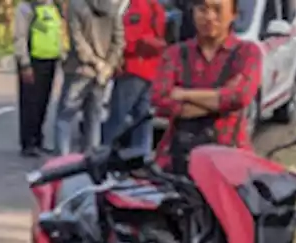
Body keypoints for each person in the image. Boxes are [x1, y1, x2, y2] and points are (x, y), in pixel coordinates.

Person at [150, 0, 262, 174]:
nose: (209, 17)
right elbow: (160, 100)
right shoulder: (175, 54)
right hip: (177, 158)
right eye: (202, 9)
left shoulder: (247, 52)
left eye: (217, 10)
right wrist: (221, 100)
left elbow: (239, 97)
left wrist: (183, 94)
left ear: (234, 14)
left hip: (231, 158)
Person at [53, 0, 125, 155]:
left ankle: (62, 162)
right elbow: (119, 41)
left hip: (80, 69)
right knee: (93, 119)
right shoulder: (112, 8)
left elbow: (77, 41)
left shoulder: (76, 5)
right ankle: (91, 162)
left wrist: (95, 62)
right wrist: (108, 66)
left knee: (65, 117)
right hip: (102, 74)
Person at [102, 0, 166, 153]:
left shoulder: (138, 6)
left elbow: (130, 38)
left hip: (134, 67)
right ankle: (141, 156)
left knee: (117, 116)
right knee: (142, 119)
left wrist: (116, 54)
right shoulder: (155, 6)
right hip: (151, 68)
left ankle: (105, 154)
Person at [14, 0, 63, 157]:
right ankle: (28, 142)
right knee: (30, 103)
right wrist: (24, 63)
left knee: (43, 101)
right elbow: (20, 37)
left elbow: (57, 33)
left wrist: (61, 55)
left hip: (50, 60)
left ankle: (38, 139)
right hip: (32, 61)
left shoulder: (52, 6)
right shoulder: (25, 8)